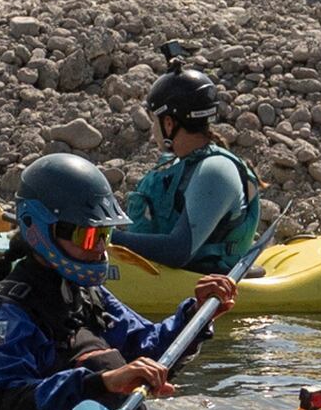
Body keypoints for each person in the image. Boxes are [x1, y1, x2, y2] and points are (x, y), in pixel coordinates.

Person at [0, 152, 217, 410]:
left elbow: (149, 350)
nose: (99, 247)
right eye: (87, 236)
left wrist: (197, 315)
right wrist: (101, 383)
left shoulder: (89, 296)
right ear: (38, 228)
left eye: (104, 234)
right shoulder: (5, 317)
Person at [112, 55, 266, 283]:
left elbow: (178, 251)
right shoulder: (174, 163)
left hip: (202, 284)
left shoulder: (215, 170)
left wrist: (107, 238)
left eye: (155, 120)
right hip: (157, 274)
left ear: (169, 124)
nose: (152, 128)